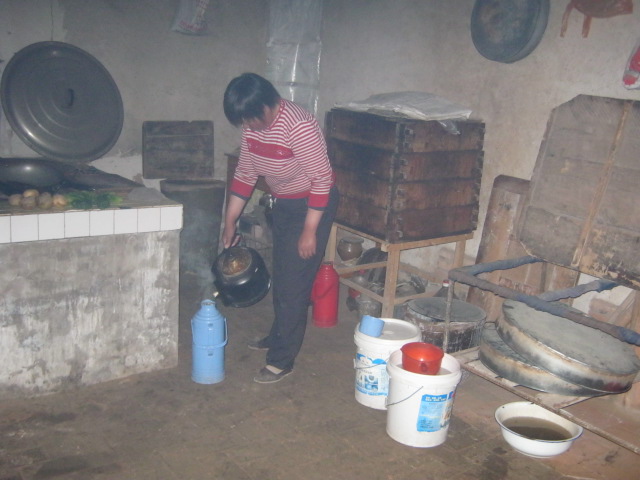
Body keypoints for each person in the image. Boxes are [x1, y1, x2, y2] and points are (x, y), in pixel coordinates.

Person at [221, 73, 339, 384]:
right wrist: (230, 221)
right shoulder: (252, 128)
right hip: (285, 203)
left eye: (251, 118)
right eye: (243, 122)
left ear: (266, 105)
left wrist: (310, 230)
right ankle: (278, 335)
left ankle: (282, 360)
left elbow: (322, 180)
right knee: (283, 273)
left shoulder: (298, 126)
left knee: (294, 284)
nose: (248, 127)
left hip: (312, 205)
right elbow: (245, 173)